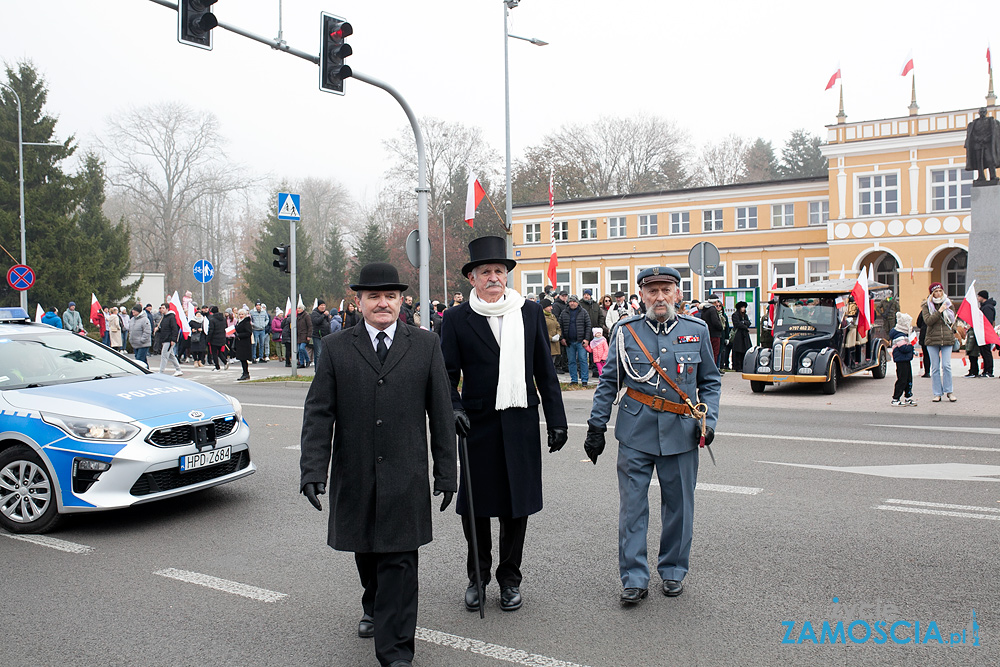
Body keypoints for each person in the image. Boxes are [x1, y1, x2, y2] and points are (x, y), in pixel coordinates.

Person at [299, 262, 456, 667]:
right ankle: (372, 602)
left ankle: (396, 653)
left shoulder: (425, 345)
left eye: (390, 296)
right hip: (356, 474)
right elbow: (319, 413)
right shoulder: (336, 348)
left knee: (400, 562)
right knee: (367, 552)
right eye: (374, 296)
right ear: (359, 302)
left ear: (401, 301)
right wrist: (313, 470)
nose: (382, 303)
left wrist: (446, 471)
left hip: (406, 476)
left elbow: (441, 413)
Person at [439, 236, 568, 614]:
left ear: (506, 275)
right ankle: (477, 578)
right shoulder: (456, 318)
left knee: (517, 505)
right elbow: (446, 375)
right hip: (476, 424)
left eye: (499, 271)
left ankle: (510, 579)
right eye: (485, 272)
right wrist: (454, 408)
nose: (493, 277)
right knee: (476, 507)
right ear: (473, 278)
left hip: (520, 419)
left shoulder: (528, 312)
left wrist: (556, 421)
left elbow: (545, 370)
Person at [585, 266, 721, 605]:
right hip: (635, 431)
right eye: (652, 291)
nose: (659, 297)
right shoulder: (625, 331)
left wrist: (710, 421)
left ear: (677, 293)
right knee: (632, 508)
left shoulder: (696, 330)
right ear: (641, 295)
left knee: (680, 507)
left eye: (666, 290)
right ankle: (634, 577)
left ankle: (673, 570)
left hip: (681, 432)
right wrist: (596, 426)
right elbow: (609, 382)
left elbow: (711, 382)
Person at [920, 282, 957, 402]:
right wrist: (939, 311)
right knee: (935, 368)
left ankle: (949, 391)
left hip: (946, 338)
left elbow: (952, 320)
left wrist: (954, 328)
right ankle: (937, 393)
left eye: (940, 291)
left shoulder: (948, 303)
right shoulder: (927, 305)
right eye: (936, 291)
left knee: (946, 366)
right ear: (932, 293)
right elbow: (928, 321)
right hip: (932, 339)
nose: (938, 293)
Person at [558, 294, 593, 385]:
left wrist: (587, 339)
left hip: (581, 341)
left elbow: (588, 326)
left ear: (577, 302)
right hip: (569, 342)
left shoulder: (583, 312)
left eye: (574, 301)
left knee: (583, 360)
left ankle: (584, 380)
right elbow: (559, 326)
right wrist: (562, 338)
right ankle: (574, 380)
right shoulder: (564, 313)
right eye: (570, 301)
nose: (572, 303)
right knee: (571, 361)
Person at [889, 312, 917, 406]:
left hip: (905, 359)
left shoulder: (904, 334)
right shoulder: (899, 334)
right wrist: (911, 345)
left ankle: (908, 396)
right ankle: (895, 398)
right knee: (902, 379)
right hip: (901, 360)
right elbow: (903, 348)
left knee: (908, 378)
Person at [153, 304, 183, 377]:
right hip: (165, 339)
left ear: (167, 309)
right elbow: (164, 328)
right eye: (161, 308)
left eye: (163, 308)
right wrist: (158, 329)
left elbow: (174, 329)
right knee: (171, 356)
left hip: (169, 340)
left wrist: (173, 339)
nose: (162, 309)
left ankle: (161, 371)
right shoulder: (164, 317)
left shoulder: (171, 317)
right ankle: (178, 369)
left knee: (164, 355)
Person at [700, 295, 724, 367]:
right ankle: (713, 369)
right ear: (716, 301)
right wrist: (721, 327)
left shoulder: (704, 310)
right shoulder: (712, 309)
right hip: (715, 334)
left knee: (708, 353)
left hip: (707, 333)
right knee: (715, 353)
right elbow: (715, 322)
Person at [977, 290, 996, 377]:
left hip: (986, 332)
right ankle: (986, 371)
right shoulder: (985, 306)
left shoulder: (987, 307)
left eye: (979, 296)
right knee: (984, 352)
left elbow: (988, 321)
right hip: (983, 332)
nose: (978, 298)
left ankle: (989, 371)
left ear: (982, 297)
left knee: (986, 352)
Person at [730, 301, 753, 372]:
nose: (743, 309)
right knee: (738, 350)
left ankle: (743, 366)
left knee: (745, 350)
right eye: (742, 307)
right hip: (738, 335)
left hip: (744, 335)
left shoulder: (745, 315)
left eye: (744, 307)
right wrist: (744, 325)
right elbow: (737, 324)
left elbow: (748, 322)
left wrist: (744, 323)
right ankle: (737, 366)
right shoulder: (735, 315)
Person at [311, 300, 333, 367]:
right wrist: (323, 315)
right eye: (321, 305)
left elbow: (328, 324)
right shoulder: (314, 313)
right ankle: (317, 369)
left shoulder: (326, 314)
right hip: (318, 336)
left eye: (324, 305)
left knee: (325, 353)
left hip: (325, 335)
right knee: (318, 353)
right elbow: (316, 321)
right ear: (318, 306)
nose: (323, 307)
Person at [207, 305, 229, 371]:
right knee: (219, 352)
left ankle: (217, 367)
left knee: (214, 353)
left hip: (214, 338)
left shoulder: (212, 320)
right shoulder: (223, 319)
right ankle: (225, 362)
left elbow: (211, 330)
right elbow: (226, 327)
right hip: (222, 337)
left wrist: (208, 339)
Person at [233, 308, 252, 381]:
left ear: (245, 315)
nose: (241, 316)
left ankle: (246, 373)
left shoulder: (246, 322)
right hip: (240, 343)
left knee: (244, 359)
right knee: (242, 359)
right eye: (239, 314)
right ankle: (245, 372)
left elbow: (249, 332)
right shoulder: (239, 321)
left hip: (244, 343)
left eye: (242, 314)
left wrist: (239, 335)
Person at [542, 298, 561, 368]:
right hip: (547, 343)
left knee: (552, 363)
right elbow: (542, 330)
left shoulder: (552, 316)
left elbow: (558, 327)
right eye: (549, 306)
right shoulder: (541, 317)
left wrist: (558, 334)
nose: (551, 308)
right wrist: (551, 338)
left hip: (555, 344)